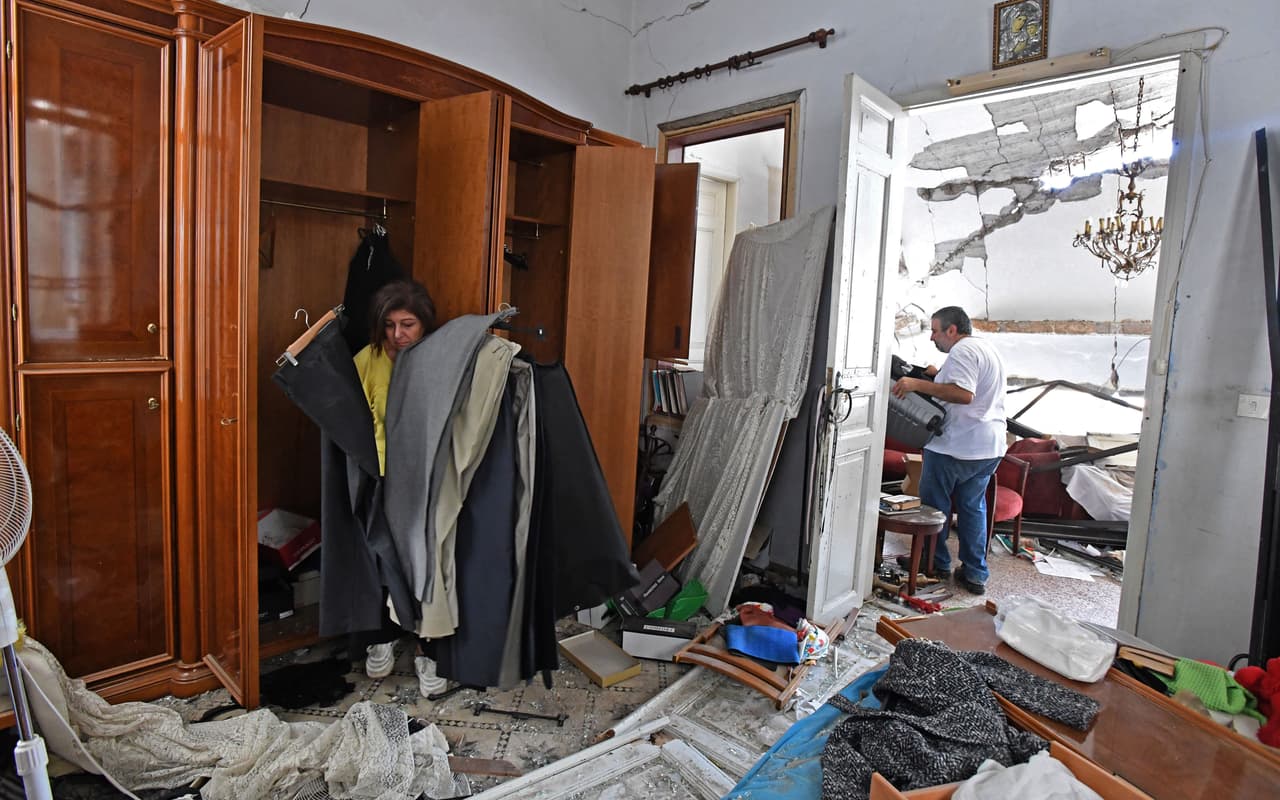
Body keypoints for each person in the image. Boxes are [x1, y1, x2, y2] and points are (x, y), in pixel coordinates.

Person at [351, 279, 446, 695]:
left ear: (424, 325)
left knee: (425, 565)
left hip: (427, 478)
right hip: (380, 476)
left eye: (408, 324)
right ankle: (382, 637)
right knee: (378, 562)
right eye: (389, 325)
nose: (398, 335)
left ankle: (429, 649)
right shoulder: (367, 360)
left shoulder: (439, 359)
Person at [891, 306, 1007, 595]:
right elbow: (969, 386)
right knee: (971, 508)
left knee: (934, 507)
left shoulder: (962, 352)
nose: (932, 337)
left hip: (956, 447)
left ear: (952, 330)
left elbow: (963, 394)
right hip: (987, 447)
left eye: (935, 330)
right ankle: (975, 572)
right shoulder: (985, 348)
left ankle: (934, 563)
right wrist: (937, 374)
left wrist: (916, 383)